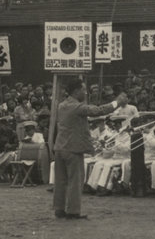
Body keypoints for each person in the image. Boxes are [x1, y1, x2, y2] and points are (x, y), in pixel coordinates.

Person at [52, 78, 127, 219]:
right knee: (75, 181)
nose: (85, 92)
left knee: (61, 181)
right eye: (83, 89)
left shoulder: (61, 105)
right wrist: (118, 102)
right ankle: (73, 211)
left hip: (60, 147)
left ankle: (59, 209)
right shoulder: (77, 107)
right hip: (73, 149)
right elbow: (99, 110)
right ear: (76, 91)